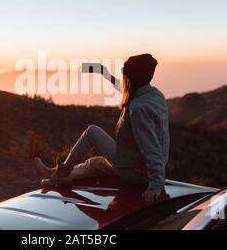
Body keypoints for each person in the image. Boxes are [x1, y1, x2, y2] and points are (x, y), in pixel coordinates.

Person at [35, 54, 170, 202]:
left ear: (131, 77)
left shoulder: (138, 108)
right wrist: (103, 72)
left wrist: (156, 186)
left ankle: (59, 176)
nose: (123, 76)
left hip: (134, 172)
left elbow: (152, 149)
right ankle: (55, 174)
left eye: (125, 73)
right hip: (134, 164)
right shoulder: (154, 95)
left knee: (92, 132)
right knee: (95, 164)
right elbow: (125, 88)